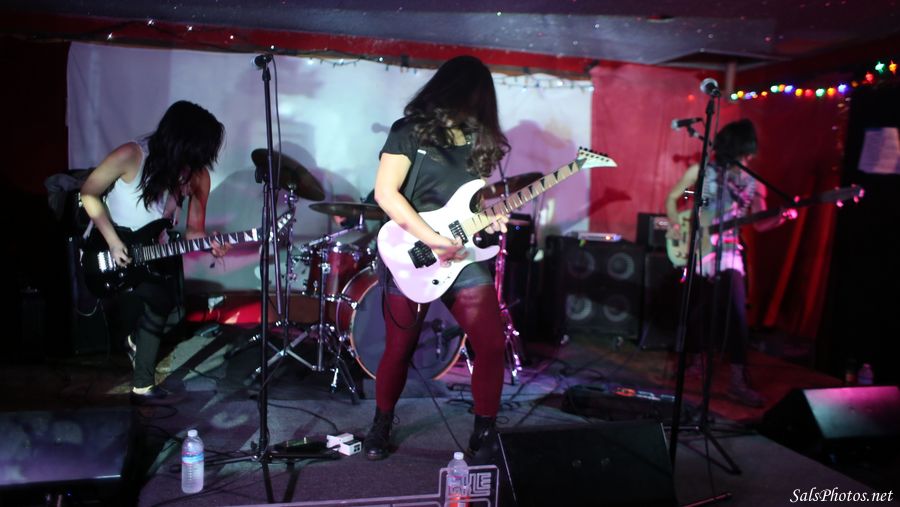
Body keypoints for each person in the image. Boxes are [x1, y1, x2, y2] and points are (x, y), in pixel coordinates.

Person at [364, 55, 510, 461]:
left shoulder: (479, 141)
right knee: (400, 348)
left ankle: (484, 432)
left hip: (462, 254)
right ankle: (380, 423)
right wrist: (433, 240)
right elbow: (386, 193)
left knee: (491, 344)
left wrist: (490, 215)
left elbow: (471, 202)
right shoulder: (408, 132)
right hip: (411, 249)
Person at [80, 100, 229, 405]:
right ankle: (136, 352)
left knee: (165, 303)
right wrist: (112, 240)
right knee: (148, 302)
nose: (200, 160)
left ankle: (143, 384)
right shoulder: (131, 154)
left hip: (153, 251)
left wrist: (211, 243)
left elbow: (194, 231)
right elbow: (89, 192)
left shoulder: (197, 176)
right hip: (110, 244)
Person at [665, 119, 795, 408]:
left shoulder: (753, 183)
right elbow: (676, 198)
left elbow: (759, 224)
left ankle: (738, 381)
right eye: (746, 153)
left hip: (729, 251)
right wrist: (677, 222)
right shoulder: (702, 173)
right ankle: (696, 362)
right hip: (700, 248)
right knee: (696, 310)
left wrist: (781, 217)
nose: (748, 159)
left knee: (737, 313)